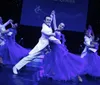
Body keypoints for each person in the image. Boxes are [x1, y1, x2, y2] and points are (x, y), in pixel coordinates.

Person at [43, 11, 85, 82]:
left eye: (62, 26)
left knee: (66, 63)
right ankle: (53, 74)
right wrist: (54, 15)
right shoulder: (56, 30)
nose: (60, 26)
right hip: (55, 49)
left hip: (58, 50)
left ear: (63, 28)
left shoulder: (58, 32)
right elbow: (54, 23)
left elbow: (54, 26)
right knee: (55, 63)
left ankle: (77, 76)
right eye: (60, 25)